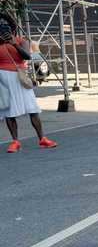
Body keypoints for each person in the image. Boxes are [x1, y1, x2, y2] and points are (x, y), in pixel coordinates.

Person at [0, 12, 56, 153]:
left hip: (20, 77)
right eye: (0, 26)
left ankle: (42, 138)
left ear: (12, 28)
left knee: (32, 109)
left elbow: (27, 56)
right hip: (3, 78)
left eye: (6, 26)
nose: (3, 28)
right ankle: (15, 141)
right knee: (9, 111)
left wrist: (13, 43)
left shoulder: (21, 41)